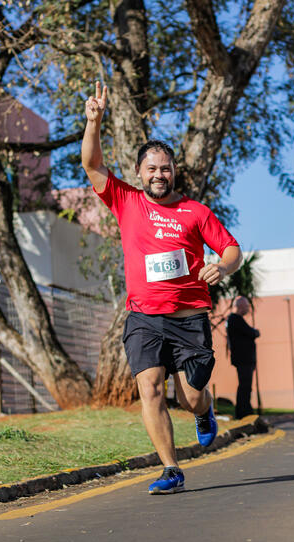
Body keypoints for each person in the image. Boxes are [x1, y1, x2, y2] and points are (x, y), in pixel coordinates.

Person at [82, 82, 242, 494]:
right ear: (139, 173)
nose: (159, 174)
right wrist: (94, 122)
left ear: (174, 172)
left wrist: (220, 269)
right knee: (150, 389)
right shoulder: (126, 201)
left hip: (189, 321)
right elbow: (92, 165)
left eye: (165, 168)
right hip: (144, 319)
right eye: (151, 168)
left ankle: (204, 411)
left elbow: (231, 250)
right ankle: (171, 468)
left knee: (189, 399)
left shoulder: (195, 211)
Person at [227, 296, 260, 420]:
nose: (247, 309)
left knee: (246, 386)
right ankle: (243, 412)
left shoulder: (236, 320)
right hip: (243, 359)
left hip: (245, 359)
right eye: (246, 306)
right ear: (240, 306)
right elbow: (252, 333)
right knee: (244, 386)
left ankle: (245, 409)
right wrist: (255, 332)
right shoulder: (235, 319)